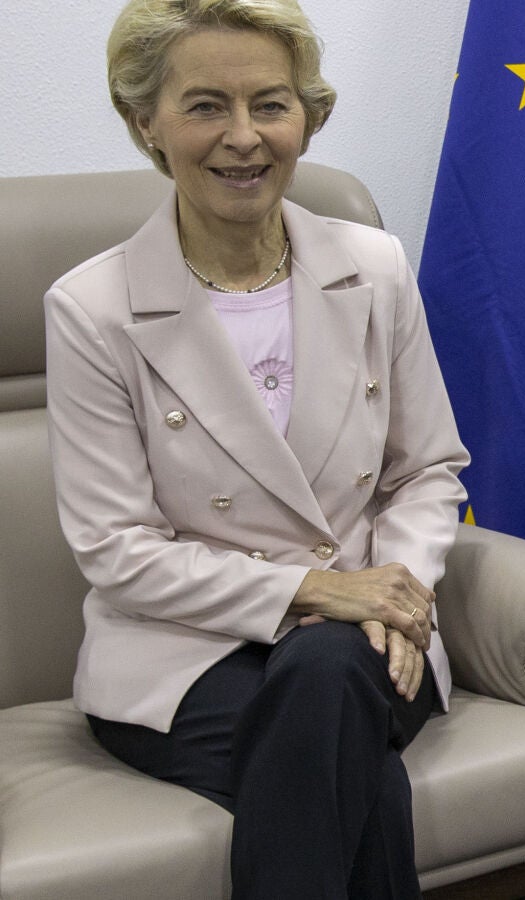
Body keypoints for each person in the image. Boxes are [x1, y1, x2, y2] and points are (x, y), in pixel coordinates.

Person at [44, 1, 469, 896]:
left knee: (328, 671)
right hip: (180, 659)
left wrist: (393, 593)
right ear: (144, 121)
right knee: (357, 763)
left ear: (306, 117)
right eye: (205, 106)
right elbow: (115, 549)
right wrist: (315, 590)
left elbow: (427, 471)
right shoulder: (91, 309)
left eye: (270, 104)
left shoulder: (375, 267)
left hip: (369, 637)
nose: (244, 137)